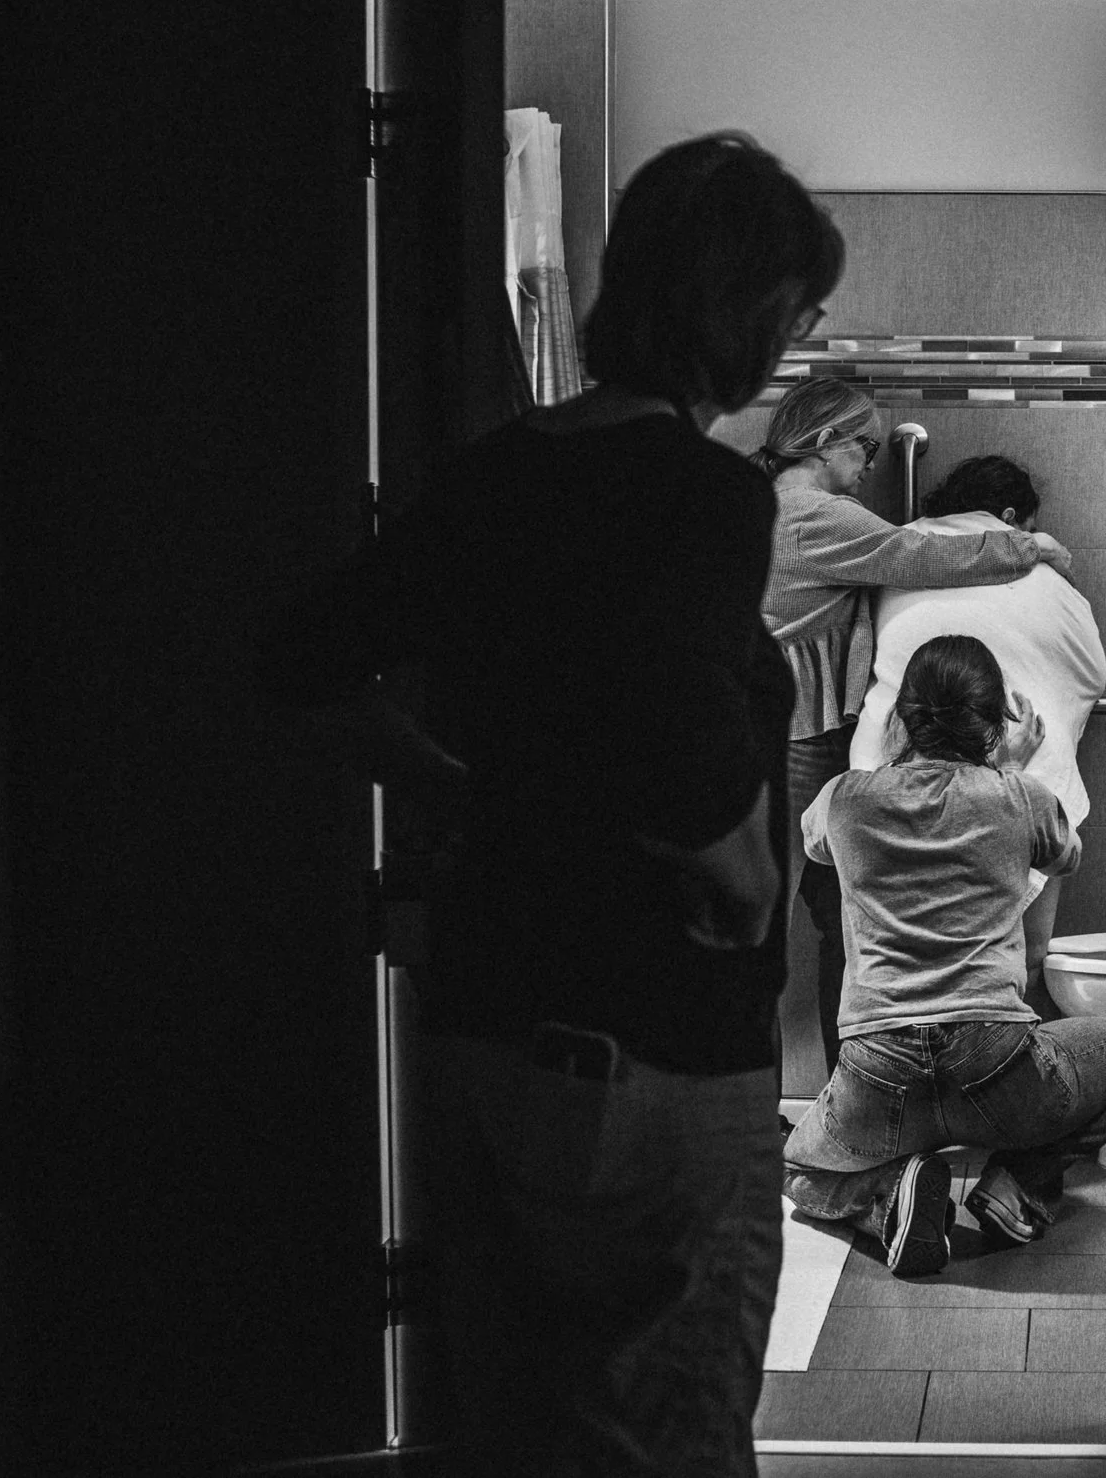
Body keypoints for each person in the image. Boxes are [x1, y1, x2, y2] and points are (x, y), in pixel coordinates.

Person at [260, 132, 840, 1478]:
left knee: (533, 1428)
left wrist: (450, 781)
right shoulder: (700, 493)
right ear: (738, 307)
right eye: (799, 314)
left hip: (490, 1024)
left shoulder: (497, 470)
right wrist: (747, 876)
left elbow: (300, 663)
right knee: (678, 1428)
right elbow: (680, 727)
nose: (802, 342)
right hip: (657, 1045)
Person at [757, 385, 1073, 1075]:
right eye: (863, 445)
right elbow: (915, 554)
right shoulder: (813, 514)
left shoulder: (776, 505)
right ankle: (846, 1086)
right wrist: (1025, 547)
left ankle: (823, 1095)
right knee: (807, 924)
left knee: (790, 923)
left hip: (777, 732)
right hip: (794, 739)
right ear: (821, 440)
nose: (869, 463)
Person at [782, 633, 1106, 1277]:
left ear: (902, 717)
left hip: (878, 1070)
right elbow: (1066, 853)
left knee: (799, 1167)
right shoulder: (1020, 799)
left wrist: (889, 763)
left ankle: (888, 1197)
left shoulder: (845, 798)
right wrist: (1010, 771)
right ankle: (1017, 1182)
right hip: (995, 1062)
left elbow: (818, 846)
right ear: (997, 722)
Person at [851, 454, 1106, 999]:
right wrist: (1012, 768)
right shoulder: (1034, 567)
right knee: (1030, 958)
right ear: (1011, 517)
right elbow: (1089, 668)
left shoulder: (902, 554)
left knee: (889, 953)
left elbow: (817, 839)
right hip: (1027, 767)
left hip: (891, 775)